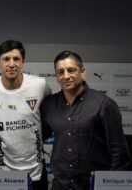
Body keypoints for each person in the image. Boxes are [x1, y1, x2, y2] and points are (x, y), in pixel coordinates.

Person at [40, 51, 131, 190]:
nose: (66, 76)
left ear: (82, 72)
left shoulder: (104, 104)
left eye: (71, 70)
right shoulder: (49, 104)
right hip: (60, 184)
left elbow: (119, 152)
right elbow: (39, 135)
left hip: (92, 185)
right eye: (60, 72)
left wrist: (112, 184)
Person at [0, 40, 51, 190]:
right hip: (2, 173)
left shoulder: (40, 85)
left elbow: (49, 117)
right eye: (6, 59)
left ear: (23, 62)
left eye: (16, 59)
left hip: (36, 171)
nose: (11, 64)